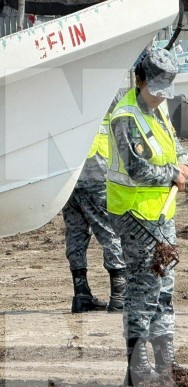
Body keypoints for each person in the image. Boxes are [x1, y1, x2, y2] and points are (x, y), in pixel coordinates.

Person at [107, 48, 188, 387]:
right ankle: (138, 366)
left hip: (161, 214)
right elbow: (137, 168)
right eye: (155, 90)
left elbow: (175, 146)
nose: (160, 97)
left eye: (164, 91)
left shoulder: (158, 110)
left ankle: (165, 359)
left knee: (164, 286)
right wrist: (172, 173)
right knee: (144, 288)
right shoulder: (125, 116)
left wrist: (183, 163)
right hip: (134, 214)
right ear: (139, 80)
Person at [64, 102, 126, 314]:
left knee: (75, 233)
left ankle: (81, 294)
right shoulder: (106, 98)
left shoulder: (66, 101)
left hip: (67, 179)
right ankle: (119, 295)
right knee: (110, 232)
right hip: (96, 177)